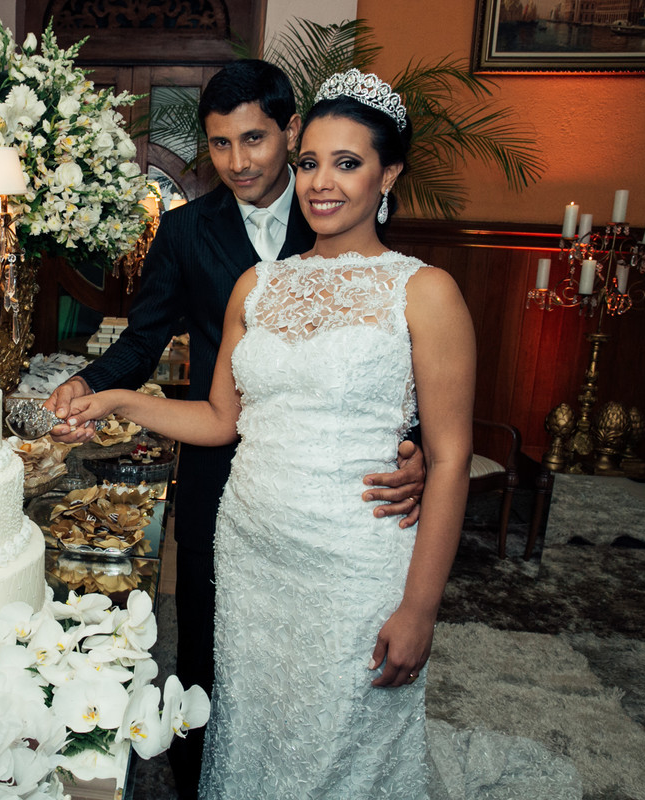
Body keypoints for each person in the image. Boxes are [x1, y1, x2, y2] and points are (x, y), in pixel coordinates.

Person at [62, 69, 474, 797]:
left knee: (343, 740)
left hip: (352, 558)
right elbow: (222, 419)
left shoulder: (426, 291)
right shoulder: (258, 286)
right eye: (312, 162)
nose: (321, 182)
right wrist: (118, 398)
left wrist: (419, 608)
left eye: (347, 163)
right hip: (251, 550)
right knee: (253, 726)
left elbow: (449, 456)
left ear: (388, 175)